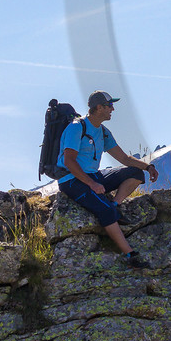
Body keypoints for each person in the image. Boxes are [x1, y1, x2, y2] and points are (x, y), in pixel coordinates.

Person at [59, 91, 160, 268]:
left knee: (135, 174)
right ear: (99, 108)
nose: (112, 109)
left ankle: (115, 205)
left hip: (93, 176)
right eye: (109, 106)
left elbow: (125, 159)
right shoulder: (77, 127)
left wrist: (147, 167)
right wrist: (91, 183)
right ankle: (130, 254)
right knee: (104, 211)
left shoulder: (103, 132)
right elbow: (69, 161)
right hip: (71, 179)